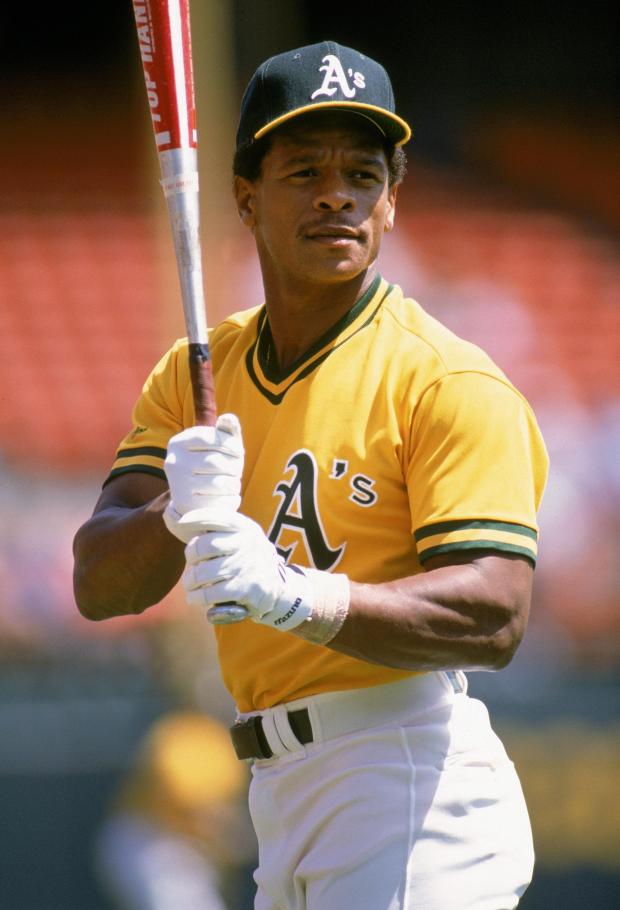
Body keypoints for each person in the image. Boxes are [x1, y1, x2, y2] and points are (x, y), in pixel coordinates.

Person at [73, 40, 549, 910]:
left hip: (407, 778)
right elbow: (100, 585)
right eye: (304, 170)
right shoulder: (195, 375)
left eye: (363, 173)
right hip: (276, 796)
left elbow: (496, 612)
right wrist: (171, 514)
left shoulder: (444, 378)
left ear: (392, 203)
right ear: (247, 201)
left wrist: (299, 597)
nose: (338, 193)